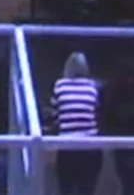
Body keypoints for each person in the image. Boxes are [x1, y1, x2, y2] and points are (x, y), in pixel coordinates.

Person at [51, 52, 102, 195]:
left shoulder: (60, 85)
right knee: (86, 190)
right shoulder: (93, 87)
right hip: (90, 145)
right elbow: (97, 113)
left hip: (67, 145)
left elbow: (55, 115)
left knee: (66, 188)